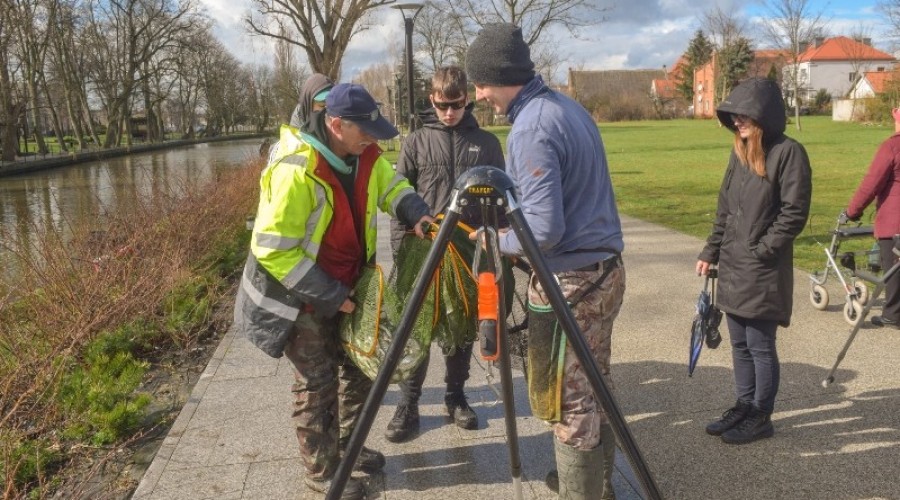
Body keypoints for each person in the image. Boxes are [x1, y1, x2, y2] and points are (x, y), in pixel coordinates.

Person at [233, 83, 433, 500]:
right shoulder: (295, 169)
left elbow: (391, 188)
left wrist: (416, 212)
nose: (374, 138)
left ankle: (346, 448)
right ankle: (322, 474)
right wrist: (331, 294)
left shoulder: (365, 155)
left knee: (359, 369)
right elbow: (273, 250)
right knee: (317, 383)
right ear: (336, 124)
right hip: (301, 295)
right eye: (366, 130)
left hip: (346, 282)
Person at [466, 23, 625, 500]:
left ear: (500, 75)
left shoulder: (532, 126)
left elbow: (545, 229)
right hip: (605, 271)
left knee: (570, 400)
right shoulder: (567, 108)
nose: (478, 94)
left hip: (572, 282)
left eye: (481, 83)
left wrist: (496, 239)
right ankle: (599, 486)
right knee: (596, 385)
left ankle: (584, 491)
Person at [384, 66, 506, 443]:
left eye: (455, 105)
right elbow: (398, 196)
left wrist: (499, 243)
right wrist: (401, 249)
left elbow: (501, 201)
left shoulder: (487, 143)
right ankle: (409, 403)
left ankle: (455, 397)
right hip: (423, 249)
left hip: (469, 249)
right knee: (417, 330)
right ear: (432, 101)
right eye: (441, 106)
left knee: (461, 328)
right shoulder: (416, 142)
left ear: (466, 100)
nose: (448, 113)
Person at [697, 77, 812, 445]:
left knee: (761, 346)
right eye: (733, 116)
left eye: (743, 115)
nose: (737, 122)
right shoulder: (739, 152)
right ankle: (744, 406)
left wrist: (762, 250)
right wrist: (710, 250)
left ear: (762, 114)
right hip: (733, 267)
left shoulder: (788, 153)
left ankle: (761, 414)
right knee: (739, 344)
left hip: (762, 269)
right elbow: (725, 209)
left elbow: (794, 213)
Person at [844, 106, 900, 329]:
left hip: (894, 220)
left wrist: (853, 211)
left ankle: (893, 314)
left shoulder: (892, 146)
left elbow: (871, 184)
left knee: (894, 270)